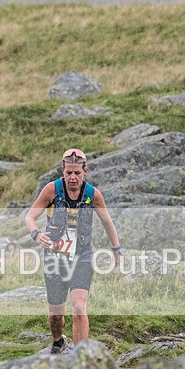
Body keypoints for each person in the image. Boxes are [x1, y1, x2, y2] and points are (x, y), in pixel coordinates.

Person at [26, 148, 121, 352]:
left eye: (77, 173)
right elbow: (30, 217)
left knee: (78, 307)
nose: (72, 177)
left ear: (85, 171)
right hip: (55, 258)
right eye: (68, 172)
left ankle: (81, 357)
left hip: (83, 257)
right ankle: (59, 340)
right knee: (56, 317)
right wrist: (36, 234)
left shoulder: (93, 195)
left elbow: (107, 221)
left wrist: (116, 248)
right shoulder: (51, 190)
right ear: (63, 170)